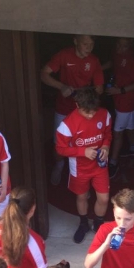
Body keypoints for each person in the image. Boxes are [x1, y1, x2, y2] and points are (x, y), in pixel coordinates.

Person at [41, 35, 104, 186]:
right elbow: (44, 74)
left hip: (83, 110)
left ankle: (79, 173)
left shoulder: (94, 60)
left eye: (91, 44)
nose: (89, 48)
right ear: (75, 41)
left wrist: (84, 94)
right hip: (63, 107)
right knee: (59, 143)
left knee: (83, 141)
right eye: (85, 44)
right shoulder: (64, 55)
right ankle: (59, 165)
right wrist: (61, 86)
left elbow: (100, 88)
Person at [56, 88, 112, 244]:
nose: (91, 115)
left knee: (104, 198)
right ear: (77, 105)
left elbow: (108, 134)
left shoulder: (105, 114)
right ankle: (83, 223)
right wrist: (83, 151)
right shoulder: (67, 124)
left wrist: (106, 146)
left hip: (100, 165)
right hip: (79, 167)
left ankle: (98, 223)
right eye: (87, 112)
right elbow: (60, 149)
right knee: (81, 196)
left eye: (94, 111)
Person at [105, 38, 134, 180]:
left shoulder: (132, 60)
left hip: (126, 101)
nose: (120, 48)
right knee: (130, 126)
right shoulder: (117, 54)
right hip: (122, 100)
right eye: (118, 44)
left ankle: (113, 162)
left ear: (130, 45)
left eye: (124, 46)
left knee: (117, 133)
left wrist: (120, 90)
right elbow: (113, 63)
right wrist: (99, 68)